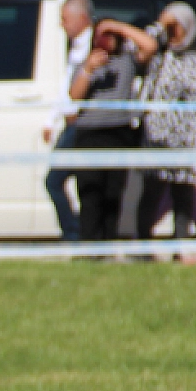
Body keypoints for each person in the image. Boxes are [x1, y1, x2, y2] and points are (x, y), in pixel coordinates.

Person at [100, 6, 196, 260]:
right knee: (151, 193)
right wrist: (162, 24)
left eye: (177, 27)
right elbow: (139, 45)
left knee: (183, 195)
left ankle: (179, 247)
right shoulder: (159, 55)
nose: (174, 34)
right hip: (158, 137)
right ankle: (144, 248)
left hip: (188, 137)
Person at [67, 20, 142, 241]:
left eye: (110, 35)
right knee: (90, 192)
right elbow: (75, 95)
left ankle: (108, 244)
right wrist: (89, 70)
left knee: (113, 192)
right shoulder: (85, 62)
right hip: (90, 133)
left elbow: (149, 46)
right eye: (101, 35)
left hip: (118, 132)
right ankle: (90, 245)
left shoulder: (127, 60)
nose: (105, 40)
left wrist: (117, 26)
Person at [42, 0, 93, 242]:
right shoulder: (75, 48)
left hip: (84, 124)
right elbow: (66, 87)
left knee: (57, 181)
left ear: (82, 19)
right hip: (71, 123)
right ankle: (76, 231)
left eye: (65, 19)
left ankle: (75, 233)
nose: (62, 25)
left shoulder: (94, 45)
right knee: (57, 181)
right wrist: (51, 119)